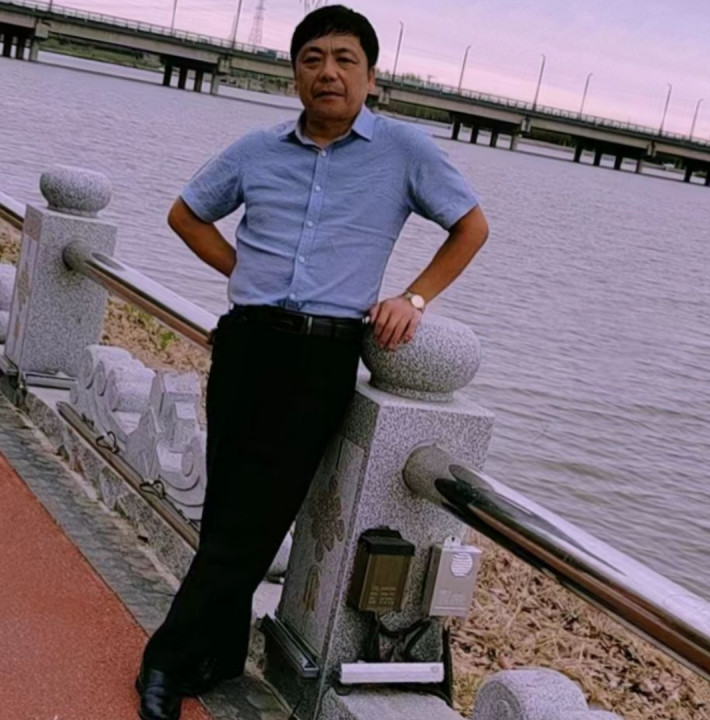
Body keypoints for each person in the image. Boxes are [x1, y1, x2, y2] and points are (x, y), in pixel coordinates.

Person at [135, 5, 489, 720]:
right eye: (312, 59)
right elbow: (185, 214)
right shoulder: (258, 149)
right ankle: (221, 653)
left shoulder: (404, 151)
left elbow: (470, 226)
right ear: (294, 73)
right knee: (230, 508)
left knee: (258, 516)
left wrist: (413, 298)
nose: (328, 72)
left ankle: (165, 661)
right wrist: (244, 271)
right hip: (246, 341)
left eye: (344, 59)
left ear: (371, 76)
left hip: (322, 355)